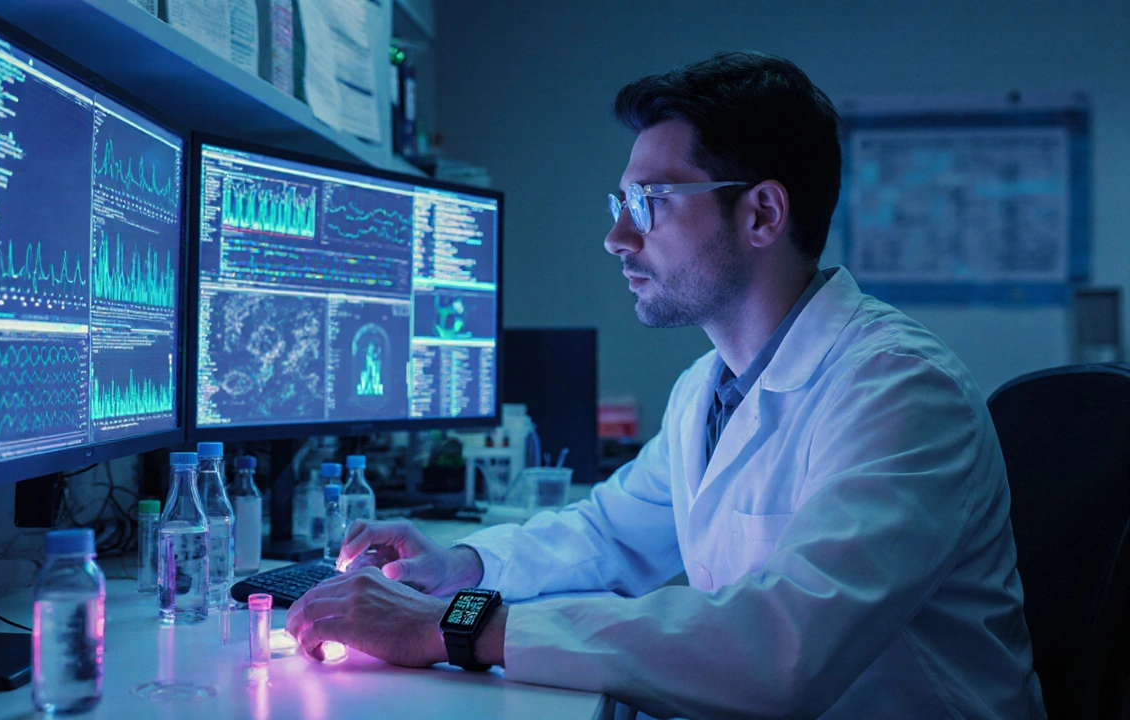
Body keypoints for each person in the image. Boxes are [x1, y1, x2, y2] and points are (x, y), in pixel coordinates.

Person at [286, 51, 1047, 719]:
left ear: (762, 213)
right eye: (622, 205)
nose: (617, 237)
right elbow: (607, 534)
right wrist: (464, 567)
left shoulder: (901, 393)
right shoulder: (706, 390)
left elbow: (779, 652)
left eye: (649, 204)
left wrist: (454, 627)